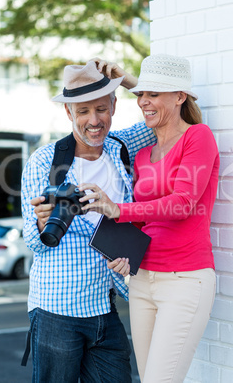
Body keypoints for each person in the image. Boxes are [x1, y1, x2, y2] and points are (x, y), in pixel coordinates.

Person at [79, 54, 220, 383]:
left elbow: (183, 203)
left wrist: (117, 208)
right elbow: (143, 222)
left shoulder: (197, 138)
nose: (143, 102)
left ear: (180, 97)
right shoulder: (143, 154)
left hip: (185, 281)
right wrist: (121, 253)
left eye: (153, 94)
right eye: (140, 95)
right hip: (142, 283)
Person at [21, 59, 156, 383]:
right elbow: (32, 242)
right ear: (69, 114)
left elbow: (165, 114)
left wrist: (125, 79)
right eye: (83, 111)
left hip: (104, 308)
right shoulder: (45, 161)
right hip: (56, 311)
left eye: (101, 109)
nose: (94, 121)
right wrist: (41, 225)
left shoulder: (121, 146)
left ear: (113, 106)